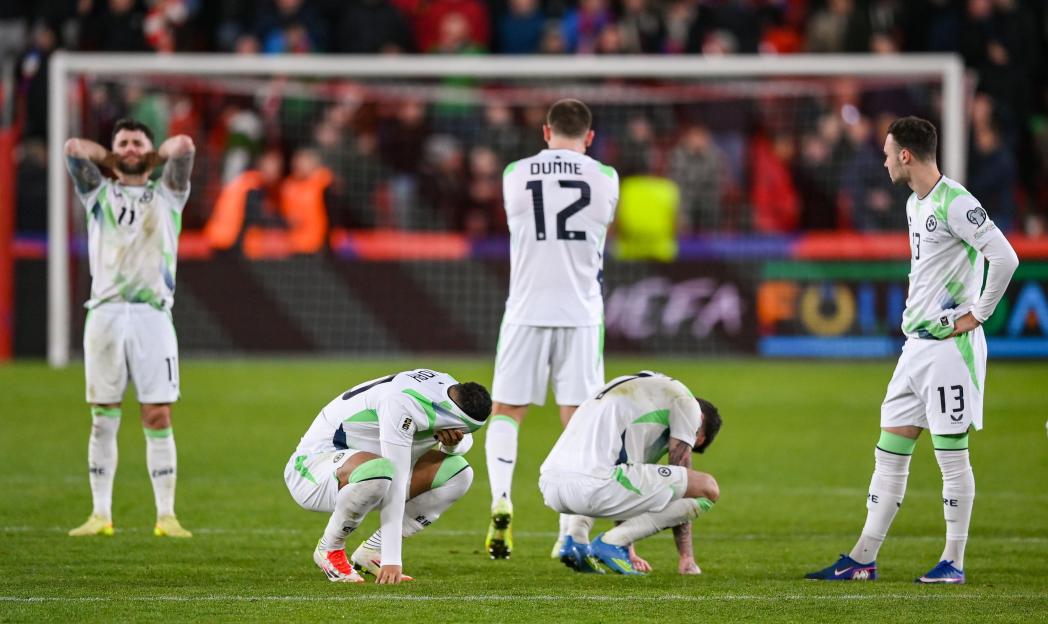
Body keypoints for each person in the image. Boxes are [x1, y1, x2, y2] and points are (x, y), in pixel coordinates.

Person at [806, 116, 1019, 584]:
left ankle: (953, 562)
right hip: (915, 348)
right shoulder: (913, 204)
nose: (883, 159)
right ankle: (862, 558)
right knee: (889, 451)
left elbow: (1006, 257)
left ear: (905, 155)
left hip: (949, 348)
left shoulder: (957, 203)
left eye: (886, 152)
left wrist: (977, 314)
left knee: (951, 456)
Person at [485, 98, 619, 560]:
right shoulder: (606, 178)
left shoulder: (514, 174)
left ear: (545, 132)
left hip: (525, 308)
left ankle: (501, 498)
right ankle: (567, 532)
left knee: (507, 410)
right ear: (590, 136)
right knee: (579, 421)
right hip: (581, 312)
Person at [64, 118, 196, 538]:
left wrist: (147, 158)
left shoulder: (169, 195)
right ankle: (100, 514)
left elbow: (185, 144)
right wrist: (114, 159)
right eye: (123, 142)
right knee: (103, 417)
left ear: (152, 149)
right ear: (112, 150)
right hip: (104, 313)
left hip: (152, 315)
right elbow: (72, 147)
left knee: (158, 414)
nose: (131, 147)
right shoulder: (97, 192)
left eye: (138, 141)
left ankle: (167, 516)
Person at [285, 369, 491, 584]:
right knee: (380, 471)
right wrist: (393, 560)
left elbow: (462, 441)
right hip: (313, 471)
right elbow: (397, 480)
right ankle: (330, 549)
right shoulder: (402, 404)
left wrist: (453, 444)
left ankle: (373, 551)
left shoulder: (447, 393)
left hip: (370, 471)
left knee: (459, 474)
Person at [539, 371, 722, 575]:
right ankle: (612, 542)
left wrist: (630, 552)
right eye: (694, 440)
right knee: (707, 488)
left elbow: (630, 477)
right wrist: (686, 557)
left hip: (550, 485)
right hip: (593, 487)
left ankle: (576, 540)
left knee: (603, 468)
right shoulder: (687, 404)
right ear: (700, 423)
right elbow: (682, 481)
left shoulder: (640, 388)